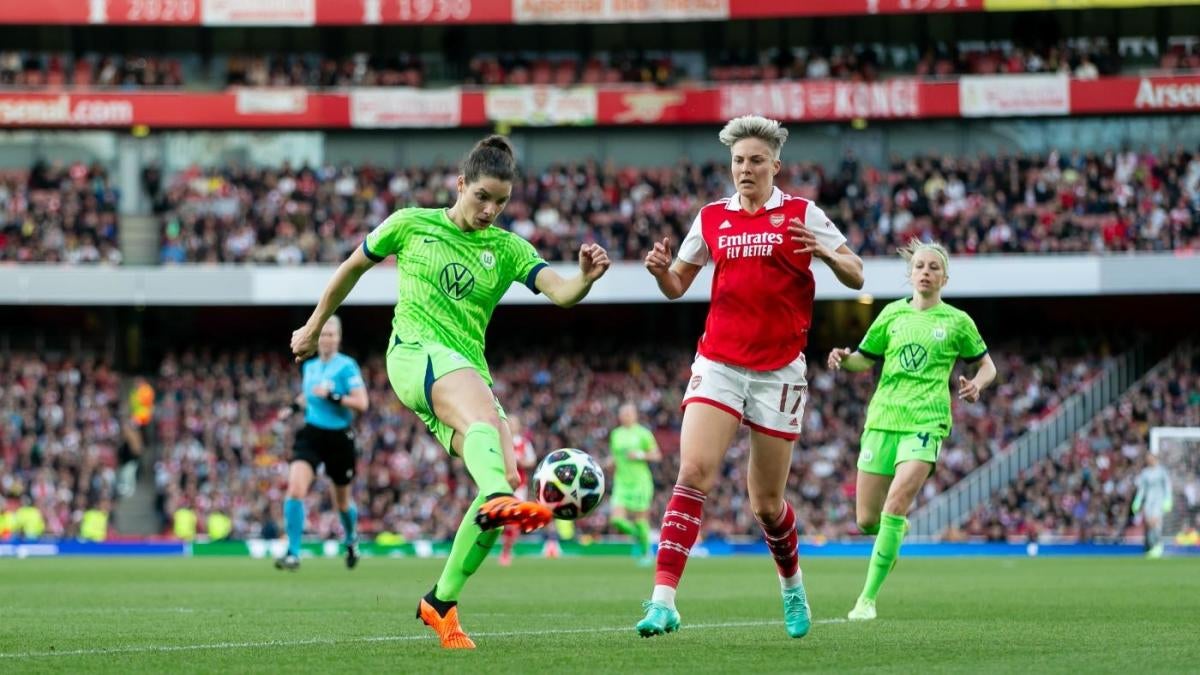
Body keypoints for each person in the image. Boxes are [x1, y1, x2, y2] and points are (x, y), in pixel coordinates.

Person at [289, 134, 611, 649]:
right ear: (460, 184)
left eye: (501, 202)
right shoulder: (410, 223)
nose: (490, 210)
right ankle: (500, 501)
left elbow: (563, 293)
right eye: (482, 196)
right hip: (415, 354)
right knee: (496, 471)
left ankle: (440, 601)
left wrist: (586, 278)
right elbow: (351, 268)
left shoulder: (507, 249)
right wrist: (312, 327)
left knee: (502, 472)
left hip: (466, 370)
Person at [637, 115, 864, 639]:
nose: (746, 169)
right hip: (718, 362)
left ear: (775, 166)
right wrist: (659, 271)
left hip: (779, 373)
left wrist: (827, 252)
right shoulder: (712, 217)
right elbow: (678, 285)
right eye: (739, 161)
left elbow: (857, 274)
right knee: (693, 472)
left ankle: (791, 587)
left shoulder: (803, 213)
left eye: (756, 161)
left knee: (766, 502)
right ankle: (663, 600)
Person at [826, 238, 996, 621]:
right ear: (910, 274)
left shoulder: (957, 321)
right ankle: (893, 531)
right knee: (868, 520)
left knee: (896, 502)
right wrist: (843, 359)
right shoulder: (890, 315)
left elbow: (988, 366)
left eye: (934, 267)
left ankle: (866, 600)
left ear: (945, 278)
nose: (925, 272)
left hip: (926, 421)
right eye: (920, 266)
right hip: (883, 419)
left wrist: (977, 385)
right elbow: (863, 361)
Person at [274, 315, 369, 572]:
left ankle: (350, 539)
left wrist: (334, 396)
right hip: (312, 434)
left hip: (339, 437)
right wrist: (292, 407)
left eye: (330, 334)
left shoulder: (347, 367)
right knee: (295, 489)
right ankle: (293, 552)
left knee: (341, 502)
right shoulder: (310, 366)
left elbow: (361, 403)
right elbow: (308, 394)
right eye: (322, 335)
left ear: (338, 338)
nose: (326, 339)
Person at [608, 402, 661, 566]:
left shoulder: (643, 433)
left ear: (635, 415)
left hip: (640, 482)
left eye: (629, 414)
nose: (626, 417)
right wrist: (609, 464)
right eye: (623, 414)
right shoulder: (615, 434)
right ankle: (639, 536)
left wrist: (638, 454)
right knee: (616, 520)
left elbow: (657, 455)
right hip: (621, 482)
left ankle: (647, 554)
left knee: (640, 519)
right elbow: (614, 457)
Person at [498, 413, 539, 567]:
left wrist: (522, 462)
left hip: (519, 485)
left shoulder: (524, 443)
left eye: (515, 423)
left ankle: (506, 551)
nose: (512, 426)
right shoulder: (500, 441)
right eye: (510, 423)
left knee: (513, 521)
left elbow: (532, 461)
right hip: (501, 483)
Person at [1133, 452, 1173, 559]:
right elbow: (1142, 489)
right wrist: (1137, 501)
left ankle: (1158, 545)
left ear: (1155, 459)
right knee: (1149, 524)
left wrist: (1168, 500)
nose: (1148, 460)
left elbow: (1167, 487)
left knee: (1155, 522)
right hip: (1148, 502)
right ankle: (1153, 546)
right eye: (1147, 458)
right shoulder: (1145, 473)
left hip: (1159, 501)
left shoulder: (1162, 471)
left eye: (1150, 458)